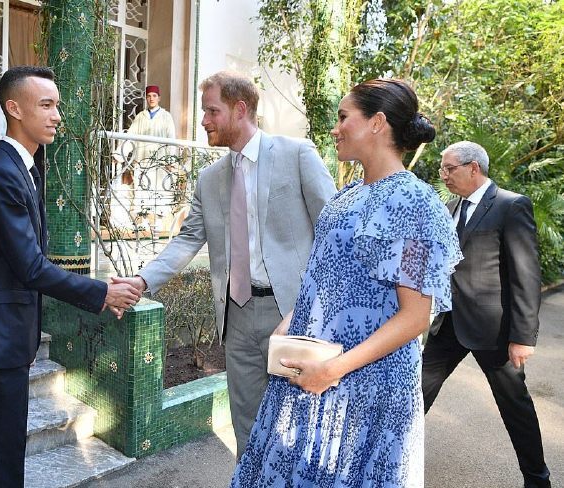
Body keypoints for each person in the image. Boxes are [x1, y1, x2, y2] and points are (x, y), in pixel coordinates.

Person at [231, 79, 462, 487]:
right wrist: (292, 323)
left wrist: (333, 370)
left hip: (363, 390)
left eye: (343, 117)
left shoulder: (416, 202)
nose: (335, 128)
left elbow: (415, 317)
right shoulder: (348, 194)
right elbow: (326, 274)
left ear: (377, 123)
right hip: (312, 372)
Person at [112, 71, 336, 458]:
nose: (204, 121)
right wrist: (141, 281)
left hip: (292, 315)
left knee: (301, 424)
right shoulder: (209, 178)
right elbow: (187, 240)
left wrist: (312, 304)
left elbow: (334, 233)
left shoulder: (296, 154)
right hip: (235, 317)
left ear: (240, 109)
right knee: (246, 425)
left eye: (212, 111)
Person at [0, 66, 142, 488]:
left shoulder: (25, 167)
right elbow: (31, 266)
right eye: (47, 105)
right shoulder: (1, 173)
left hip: (5, 342)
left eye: (57, 105)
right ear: (13, 108)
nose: (57, 115)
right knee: (2, 468)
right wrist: (103, 293)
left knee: (5, 463)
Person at [423, 141, 551, 488]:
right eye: (442, 169)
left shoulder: (510, 206)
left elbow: (526, 274)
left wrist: (523, 336)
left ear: (473, 168)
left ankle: (537, 479)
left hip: (494, 330)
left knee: (515, 407)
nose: (444, 175)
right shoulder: (450, 207)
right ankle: (389, 463)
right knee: (415, 394)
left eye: (449, 168)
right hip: (447, 325)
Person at [125, 85, 178, 232]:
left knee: (160, 190)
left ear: (159, 98)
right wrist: (119, 153)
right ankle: (143, 220)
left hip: (160, 163)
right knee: (142, 190)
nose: (151, 98)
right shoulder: (140, 117)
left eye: (154, 96)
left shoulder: (166, 117)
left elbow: (171, 139)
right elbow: (130, 136)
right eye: (149, 96)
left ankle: (158, 222)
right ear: (146, 98)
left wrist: (171, 160)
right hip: (143, 160)